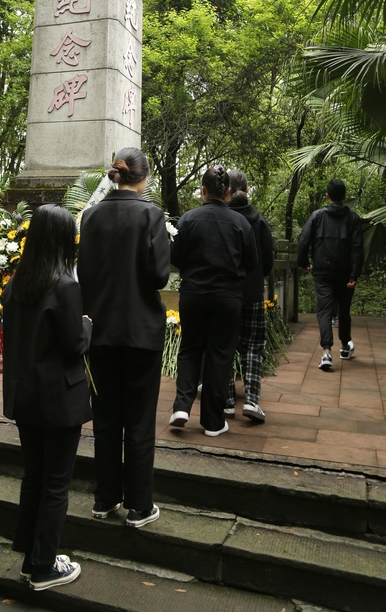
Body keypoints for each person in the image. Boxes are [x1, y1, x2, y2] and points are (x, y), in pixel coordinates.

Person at [77, 148, 170, 529]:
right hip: (140, 331)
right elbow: (160, 276)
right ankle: (139, 505)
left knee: (105, 417)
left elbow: (83, 271)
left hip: (99, 331)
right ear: (143, 177)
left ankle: (104, 498)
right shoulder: (151, 215)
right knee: (139, 419)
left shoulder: (91, 215)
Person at [1, 204, 92, 590]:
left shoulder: (15, 284)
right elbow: (74, 346)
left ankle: (30, 556)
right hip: (59, 400)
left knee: (34, 477)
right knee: (55, 483)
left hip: (26, 397)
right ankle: (43, 566)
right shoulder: (66, 286)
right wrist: (87, 327)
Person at [169, 166, 258, 437]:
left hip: (193, 294)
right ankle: (213, 422)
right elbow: (252, 263)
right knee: (220, 355)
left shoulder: (188, 219)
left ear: (203, 191)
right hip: (227, 298)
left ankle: (181, 407)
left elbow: (175, 257)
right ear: (228, 192)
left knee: (190, 349)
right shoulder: (240, 223)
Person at [297, 179, 364, 372]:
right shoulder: (353, 219)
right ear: (344, 197)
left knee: (324, 310)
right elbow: (357, 248)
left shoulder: (317, 216)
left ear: (327, 196)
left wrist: (304, 262)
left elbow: (303, 240)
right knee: (344, 309)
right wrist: (354, 274)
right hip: (345, 273)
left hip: (322, 272)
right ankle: (345, 346)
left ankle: (326, 352)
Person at [224, 171, 274, 423]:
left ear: (226, 190)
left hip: (226, 293)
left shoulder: (222, 218)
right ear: (248, 190)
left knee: (225, 344)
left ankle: (227, 401)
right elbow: (267, 261)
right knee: (253, 346)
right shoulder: (259, 220)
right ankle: (252, 400)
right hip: (252, 293)